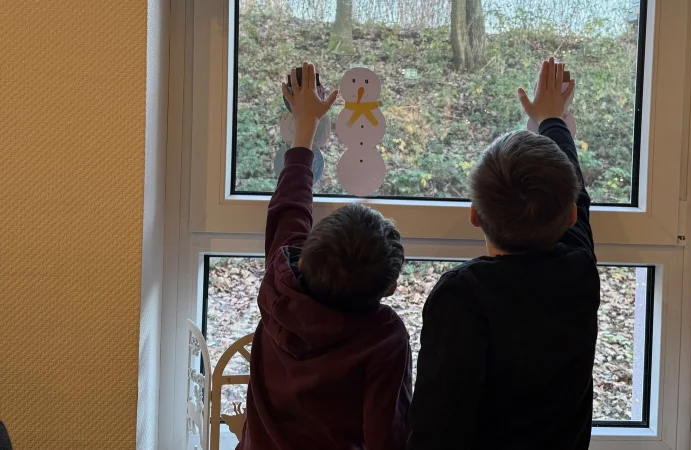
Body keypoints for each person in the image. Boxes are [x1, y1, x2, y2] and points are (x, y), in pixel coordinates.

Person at [407, 57, 600, 450]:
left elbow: (435, 428)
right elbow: (575, 195)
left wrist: (552, 120)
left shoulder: (461, 296)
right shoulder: (578, 271)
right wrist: (553, 121)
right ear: (571, 216)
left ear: (474, 214)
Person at [237, 62, 412, 450]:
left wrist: (305, 130)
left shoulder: (281, 284)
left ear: (306, 255)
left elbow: (289, 207)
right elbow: (389, 440)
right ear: (391, 288)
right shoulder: (383, 339)